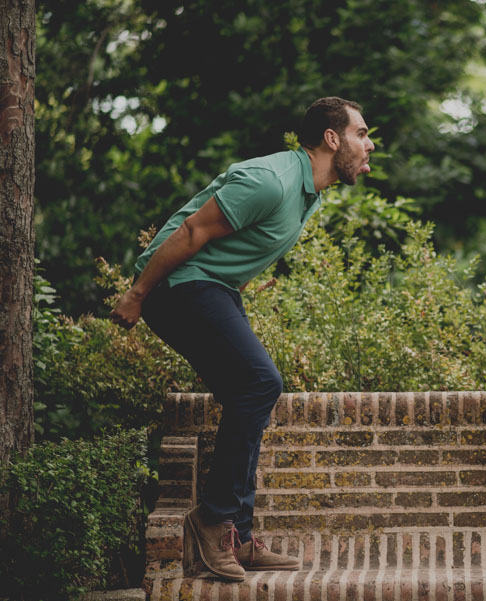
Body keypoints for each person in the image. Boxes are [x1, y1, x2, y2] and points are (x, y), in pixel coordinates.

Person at [110, 97, 374, 581]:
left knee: (248, 394)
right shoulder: (270, 181)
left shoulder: (308, 193)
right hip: (177, 285)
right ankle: (213, 520)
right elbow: (192, 231)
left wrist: (236, 296)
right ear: (332, 138)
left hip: (212, 288)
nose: (369, 143)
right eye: (361, 133)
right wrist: (136, 294)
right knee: (259, 383)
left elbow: (240, 249)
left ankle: (240, 536)